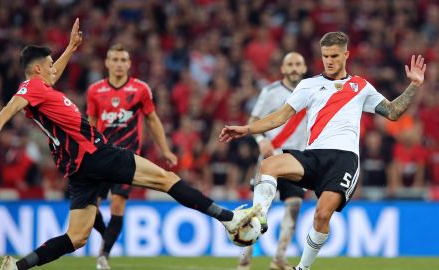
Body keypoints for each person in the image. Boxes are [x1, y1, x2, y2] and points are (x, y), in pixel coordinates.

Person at [0, 18, 259, 270]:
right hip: (95, 153)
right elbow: (16, 101)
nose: (53, 69)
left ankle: (18, 266)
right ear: (36, 71)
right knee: (166, 179)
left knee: (77, 237)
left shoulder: (41, 88)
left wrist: (69, 48)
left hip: (79, 167)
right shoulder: (31, 88)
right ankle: (230, 218)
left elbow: (44, 79)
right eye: (48, 65)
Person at [220, 32, 426, 270]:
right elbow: (280, 117)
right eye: (325, 56)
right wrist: (246, 129)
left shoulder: (360, 86)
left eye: (334, 56)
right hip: (314, 155)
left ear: (346, 55)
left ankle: (302, 268)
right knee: (268, 166)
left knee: (321, 215)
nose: (329, 60)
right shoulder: (308, 85)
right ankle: (259, 216)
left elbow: (392, 112)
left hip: (344, 161)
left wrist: (414, 85)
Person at [86, 43, 178, 270]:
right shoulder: (95, 91)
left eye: (123, 60)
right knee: (91, 208)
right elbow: (91, 125)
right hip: (100, 156)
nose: (118, 64)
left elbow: (153, 120)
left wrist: (165, 150)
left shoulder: (140, 89)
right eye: (114, 60)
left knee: (117, 205)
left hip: (127, 159)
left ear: (129, 63)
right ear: (107, 63)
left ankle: (103, 256)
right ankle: (107, 236)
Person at [238, 52, 308, 270]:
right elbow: (253, 120)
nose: (294, 68)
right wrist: (260, 141)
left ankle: (279, 259)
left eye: (298, 64)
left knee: (294, 206)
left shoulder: (313, 91)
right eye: (290, 64)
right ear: (283, 69)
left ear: (304, 68)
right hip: (271, 157)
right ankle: (244, 261)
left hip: (297, 159)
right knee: (258, 211)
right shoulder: (270, 91)